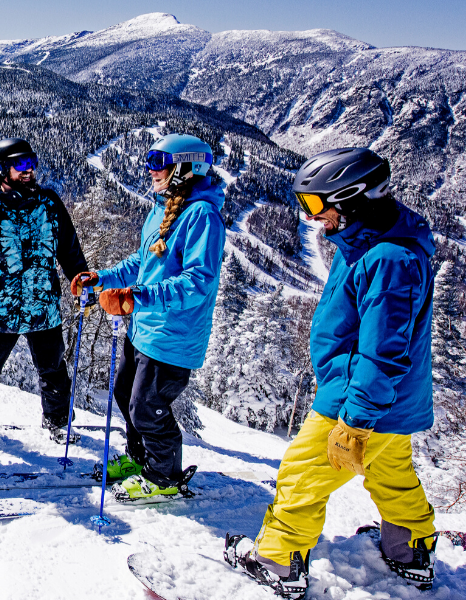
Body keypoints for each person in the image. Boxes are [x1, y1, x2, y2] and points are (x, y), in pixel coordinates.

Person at [224, 148, 437, 598]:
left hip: (357, 398)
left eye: (317, 204)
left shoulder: (389, 259)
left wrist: (356, 419)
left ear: (354, 198)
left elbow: (383, 352)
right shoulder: (364, 240)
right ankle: (409, 549)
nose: (311, 216)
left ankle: (279, 561)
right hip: (391, 402)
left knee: (302, 474)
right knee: (392, 472)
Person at [71, 133, 225, 500]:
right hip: (144, 328)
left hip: (173, 335)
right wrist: (103, 278)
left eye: (159, 164)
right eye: (150, 163)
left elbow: (197, 283)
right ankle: (139, 459)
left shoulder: (202, 216)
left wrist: (136, 297)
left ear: (187, 167)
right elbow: (144, 263)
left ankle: (164, 476)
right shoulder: (163, 207)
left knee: (147, 407)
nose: (151, 171)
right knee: (126, 395)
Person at [0, 138, 89, 444]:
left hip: (43, 305)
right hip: (0, 309)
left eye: (32, 162)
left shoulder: (49, 203)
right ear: (1, 169)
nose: (29, 170)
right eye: (20, 164)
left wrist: (82, 283)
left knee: (54, 370)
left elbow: (70, 251)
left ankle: (59, 421)